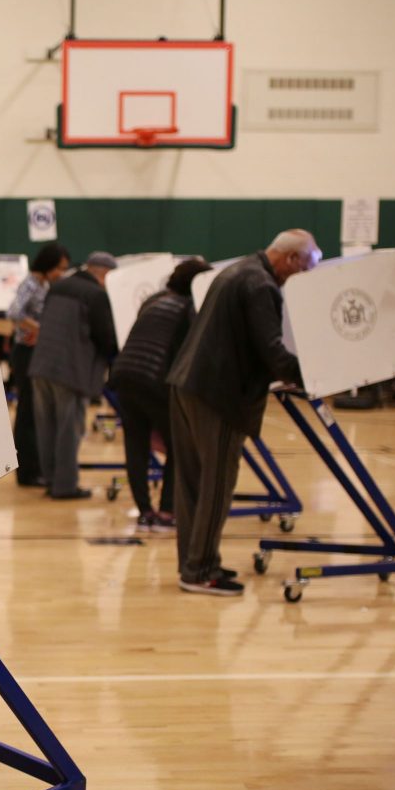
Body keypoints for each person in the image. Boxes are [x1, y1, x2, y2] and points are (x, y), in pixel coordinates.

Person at [166, 229, 319, 596]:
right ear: (291, 259)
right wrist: (312, 375)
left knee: (190, 485)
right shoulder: (261, 285)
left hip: (186, 384)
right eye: (307, 266)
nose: (305, 275)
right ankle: (201, 571)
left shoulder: (238, 271)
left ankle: (192, 564)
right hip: (217, 395)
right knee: (217, 485)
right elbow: (271, 349)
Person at [110, 257, 213, 532]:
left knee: (136, 445)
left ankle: (145, 512)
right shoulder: (190, 307)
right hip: (154, 379)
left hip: (124, 373)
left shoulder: (153, 299)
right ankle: (167, 511)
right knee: (179, 446)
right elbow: (187, 353)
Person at [28, 251, 119, 499]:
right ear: (105, 274)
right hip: (71, 370)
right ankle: (65, 486)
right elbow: (105, 337)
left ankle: (50, 479)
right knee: (69, 429)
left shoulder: (58, 286)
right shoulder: (96, 295)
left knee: (46, 427)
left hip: (41, 365)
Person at [5, 243, 72, 487]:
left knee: (35, 412)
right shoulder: (31, 284)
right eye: (59, 268)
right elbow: (14, 313)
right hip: (26, 354)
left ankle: (36, 468)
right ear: (48, 264)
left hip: (36, 352)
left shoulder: (44, 285)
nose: (61, 273)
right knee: (27, 412)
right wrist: (41, 330)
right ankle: (27, 472)